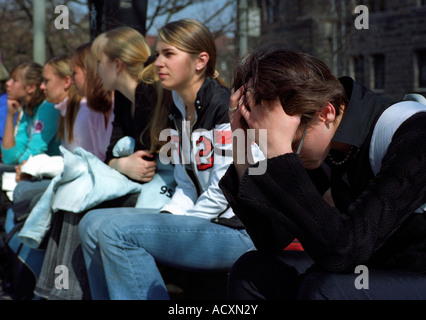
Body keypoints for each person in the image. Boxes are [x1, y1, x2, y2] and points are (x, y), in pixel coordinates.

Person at [219, 48, 426, 300]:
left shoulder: (414, 135)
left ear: (326, 112)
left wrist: (281, 153)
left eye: (293, 143)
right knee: (252, 271)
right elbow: (273, 238)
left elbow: (343, 253)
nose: (289, 155)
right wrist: (242, 143)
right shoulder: (330, 144)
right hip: (375, 266)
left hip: (414, 271)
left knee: (326, 289)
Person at [78, 19, 254, 300]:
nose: (158, 62)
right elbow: (185, 186)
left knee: (115, 230)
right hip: (203, 221)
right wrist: (166, 220)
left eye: (169, 54)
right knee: (91, 223)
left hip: (236, 231)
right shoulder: (176, 107)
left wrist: (175, 229)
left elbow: (224, 192)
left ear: (200, 61)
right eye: (158, 54)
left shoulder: (225, 109)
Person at [28, 45, 115, 300]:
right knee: (52, 194)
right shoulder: (74, 109)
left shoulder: (89, 110)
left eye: (46, 81)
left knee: (68, 198)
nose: (42, 87)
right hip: (99, 179)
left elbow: (90, 161)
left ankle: (59, 292)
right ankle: (45, 287)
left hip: (104, 183)